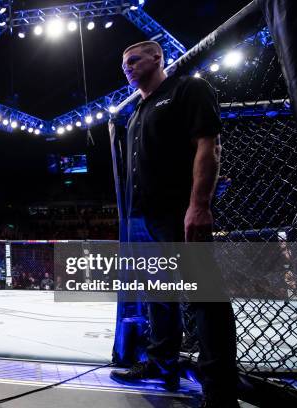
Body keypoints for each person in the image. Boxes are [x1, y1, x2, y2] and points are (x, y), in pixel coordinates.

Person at [109, 41, 238, 408]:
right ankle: (162, 364)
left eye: (133, 60)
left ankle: (219, 392)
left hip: (178, 214)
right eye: (124, 65)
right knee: (158, 296)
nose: (128, 68)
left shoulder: (187, 89)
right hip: (144, 219)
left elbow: (208, 146)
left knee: (205, 300)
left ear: (156, 58)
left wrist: (198, 205)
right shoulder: (136, 112)